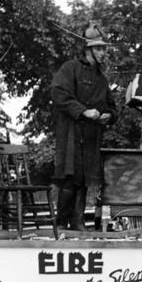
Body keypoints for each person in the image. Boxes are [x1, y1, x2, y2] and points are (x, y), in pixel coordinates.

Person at [51, 23, 118, 231]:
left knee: (85, 179)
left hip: (91, 135)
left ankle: (77, 222)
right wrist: (83, 111)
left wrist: (110, 116)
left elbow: (112, 107)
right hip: (71, 132)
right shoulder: (69, 68)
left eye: (104, 48)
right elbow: (59, 94)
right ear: (87, 49)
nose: (103, 53)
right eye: (99, 48)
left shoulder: (102, 78)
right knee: (70, 177)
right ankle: (61, 223)